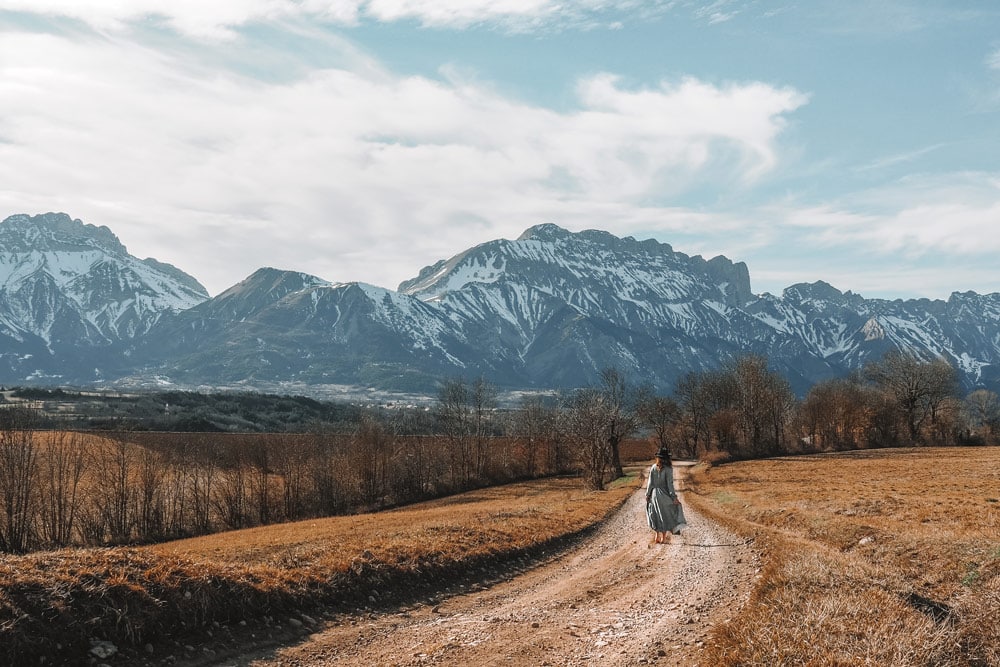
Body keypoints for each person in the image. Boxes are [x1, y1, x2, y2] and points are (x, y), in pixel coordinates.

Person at [645, 446, 687, 544]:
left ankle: (657, 536)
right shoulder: (668, 469)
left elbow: (650, 483)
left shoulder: (653, 467)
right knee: (665, 514)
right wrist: (674, 497)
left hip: (654, 494)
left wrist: (648, 494)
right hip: (664, 495)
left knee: (655, 514)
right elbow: (670, 485)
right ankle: (663, 538)